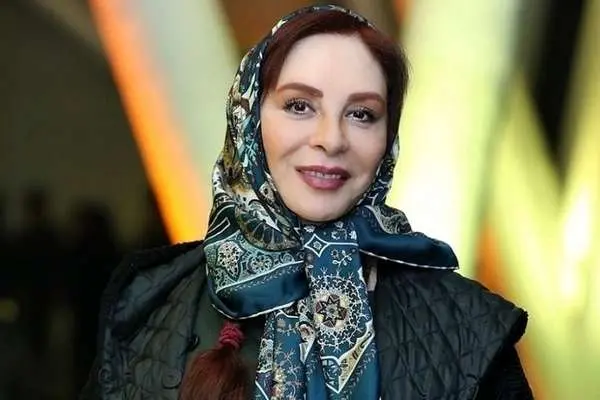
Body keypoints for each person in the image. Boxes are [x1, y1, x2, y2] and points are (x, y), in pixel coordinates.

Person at [81, 5, 533, 399]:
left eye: (362, 114)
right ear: (250, 119)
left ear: (388, 138)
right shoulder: (148, 302)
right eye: (300, 106)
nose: (331, 139)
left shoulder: (467, 327)